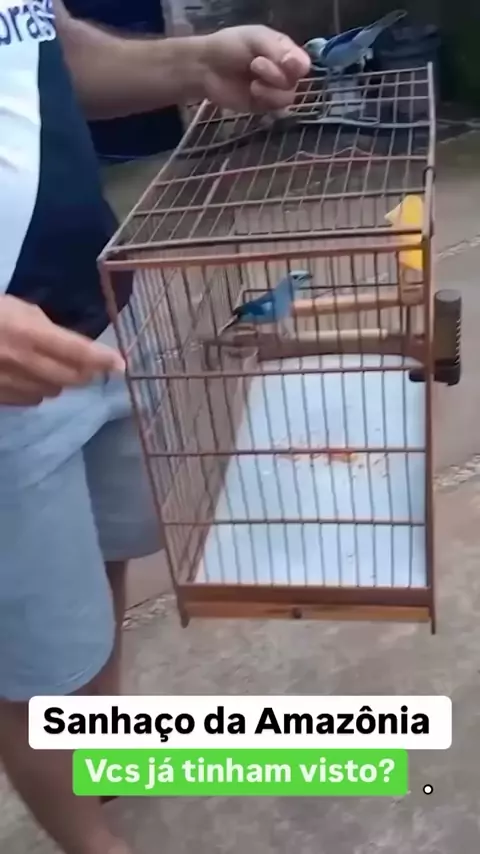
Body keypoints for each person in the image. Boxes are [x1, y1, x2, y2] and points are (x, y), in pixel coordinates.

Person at [0, 1, 310, 852]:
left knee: (99, 562)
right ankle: (89, 841)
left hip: (100, 308)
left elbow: (43, 42)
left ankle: (94, 753)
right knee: (33, 653)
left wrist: (191, 64)